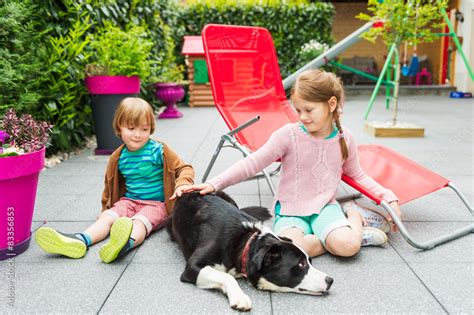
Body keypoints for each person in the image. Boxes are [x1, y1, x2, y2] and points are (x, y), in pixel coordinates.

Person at [187, 70, 402, 258]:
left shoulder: (345, 138)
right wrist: (215, 184)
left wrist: (388, 198)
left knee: (347, 247)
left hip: (325, 208)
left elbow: (358, 175)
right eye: (298, 110)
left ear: (331, 104)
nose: (302, 117)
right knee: (287, 250)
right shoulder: (288, 135)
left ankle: (354, 217)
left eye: (309, 110)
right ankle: (333, 237)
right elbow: (252, 163)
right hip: (290, 211)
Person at [35, 97, 194, 263]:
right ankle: (81, 240)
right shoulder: (118, 157)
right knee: (107, 218)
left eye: (144, 129)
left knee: (139, 223)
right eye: (131, 128)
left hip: (156, 204)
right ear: (119, 128)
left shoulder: (158, 151)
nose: (138, 134)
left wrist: (183, 183)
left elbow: (184, 168)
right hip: (129, 201)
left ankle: (125, 243)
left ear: (151, 129)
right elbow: (109, 187)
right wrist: (107, 208)